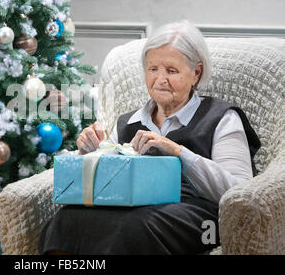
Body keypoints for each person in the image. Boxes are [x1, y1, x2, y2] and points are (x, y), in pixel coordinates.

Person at [38, 20, 261, 255]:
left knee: (133, 227)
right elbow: (108, 179)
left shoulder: (221, 117)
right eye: (153, 69)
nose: (160, 79)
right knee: (67, 219)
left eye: (171, 71)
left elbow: (240, 191)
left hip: (195, 213)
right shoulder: (128, 122)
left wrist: (178, 152)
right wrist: (90, 150)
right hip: (130, 206)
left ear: (196, 73)